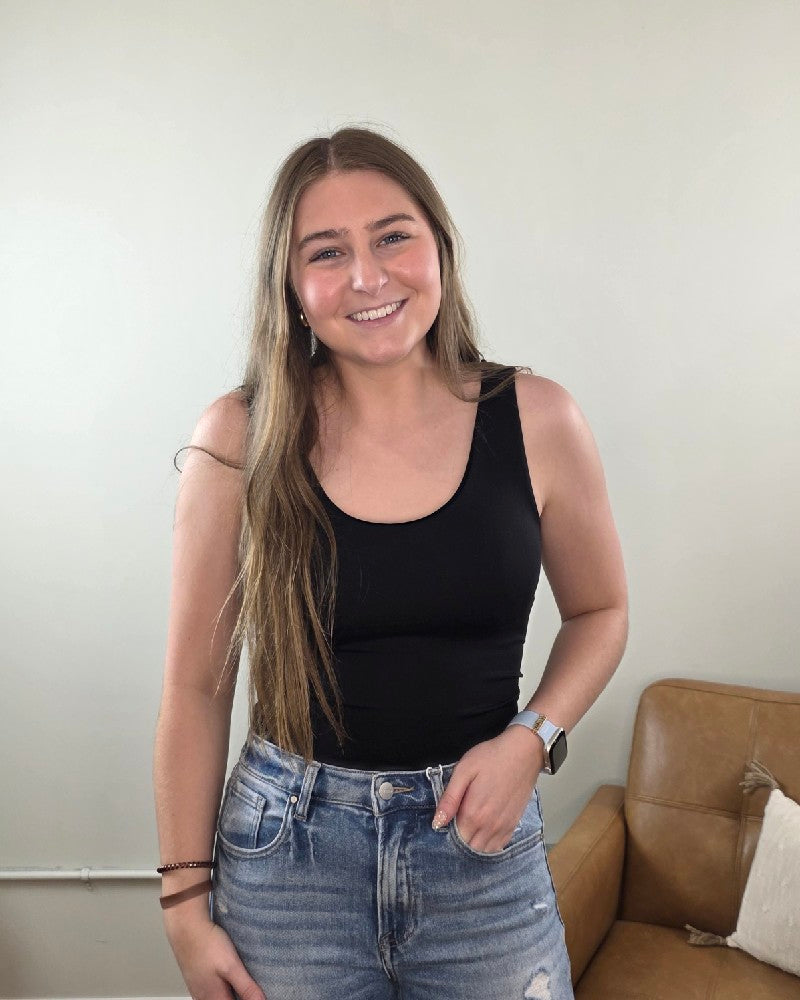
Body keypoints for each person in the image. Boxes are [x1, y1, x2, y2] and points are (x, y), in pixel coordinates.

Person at [153, 125, 628, 1000]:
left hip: (480, 852)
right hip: (288, 861)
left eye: (393, 236)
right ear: (293, 289)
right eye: (327, 252)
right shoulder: (240, 438)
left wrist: (534, 738)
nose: (368, 278)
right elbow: (196, 687)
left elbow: (601, 615)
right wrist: (185, 900)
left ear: (439, 248)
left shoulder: (539, 418)